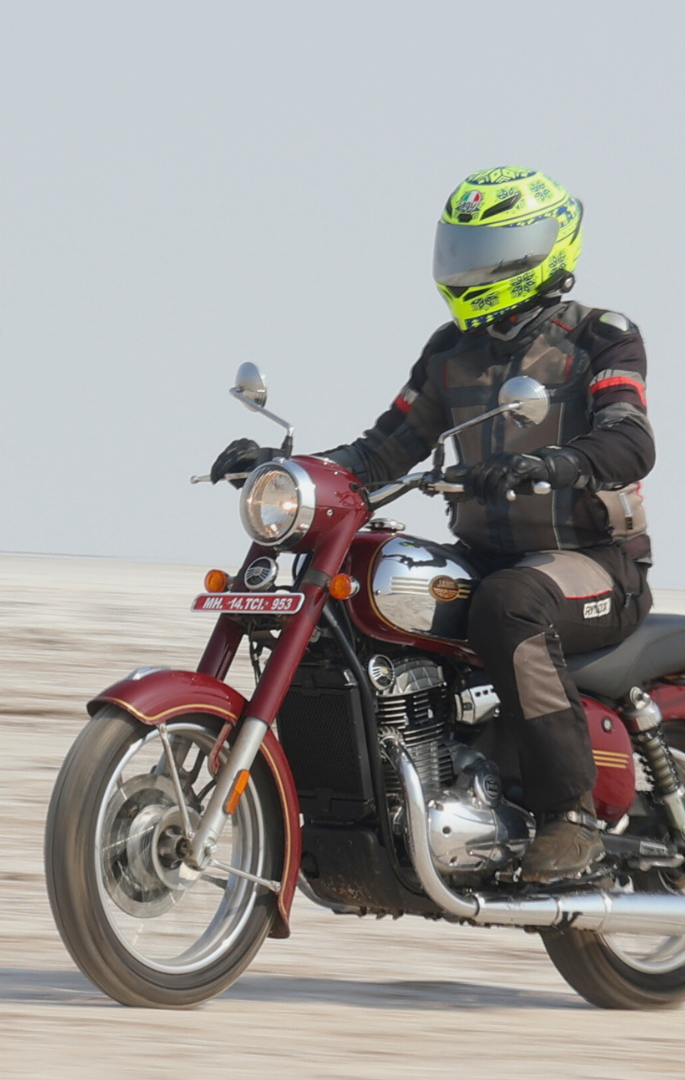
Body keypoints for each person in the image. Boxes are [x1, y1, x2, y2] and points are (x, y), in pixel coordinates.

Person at [211, 167, 654, 881]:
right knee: (368, 589)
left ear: (542, 247)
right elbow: (381, 451)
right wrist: (287, 469)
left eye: (493, 250)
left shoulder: (600, 338)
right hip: (486, 555)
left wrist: (550, 464)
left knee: (508, 605)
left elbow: (630, 439)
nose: (473, 267)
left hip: (594, 562)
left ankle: (570, 816)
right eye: (464, 250)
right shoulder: (451, 351)